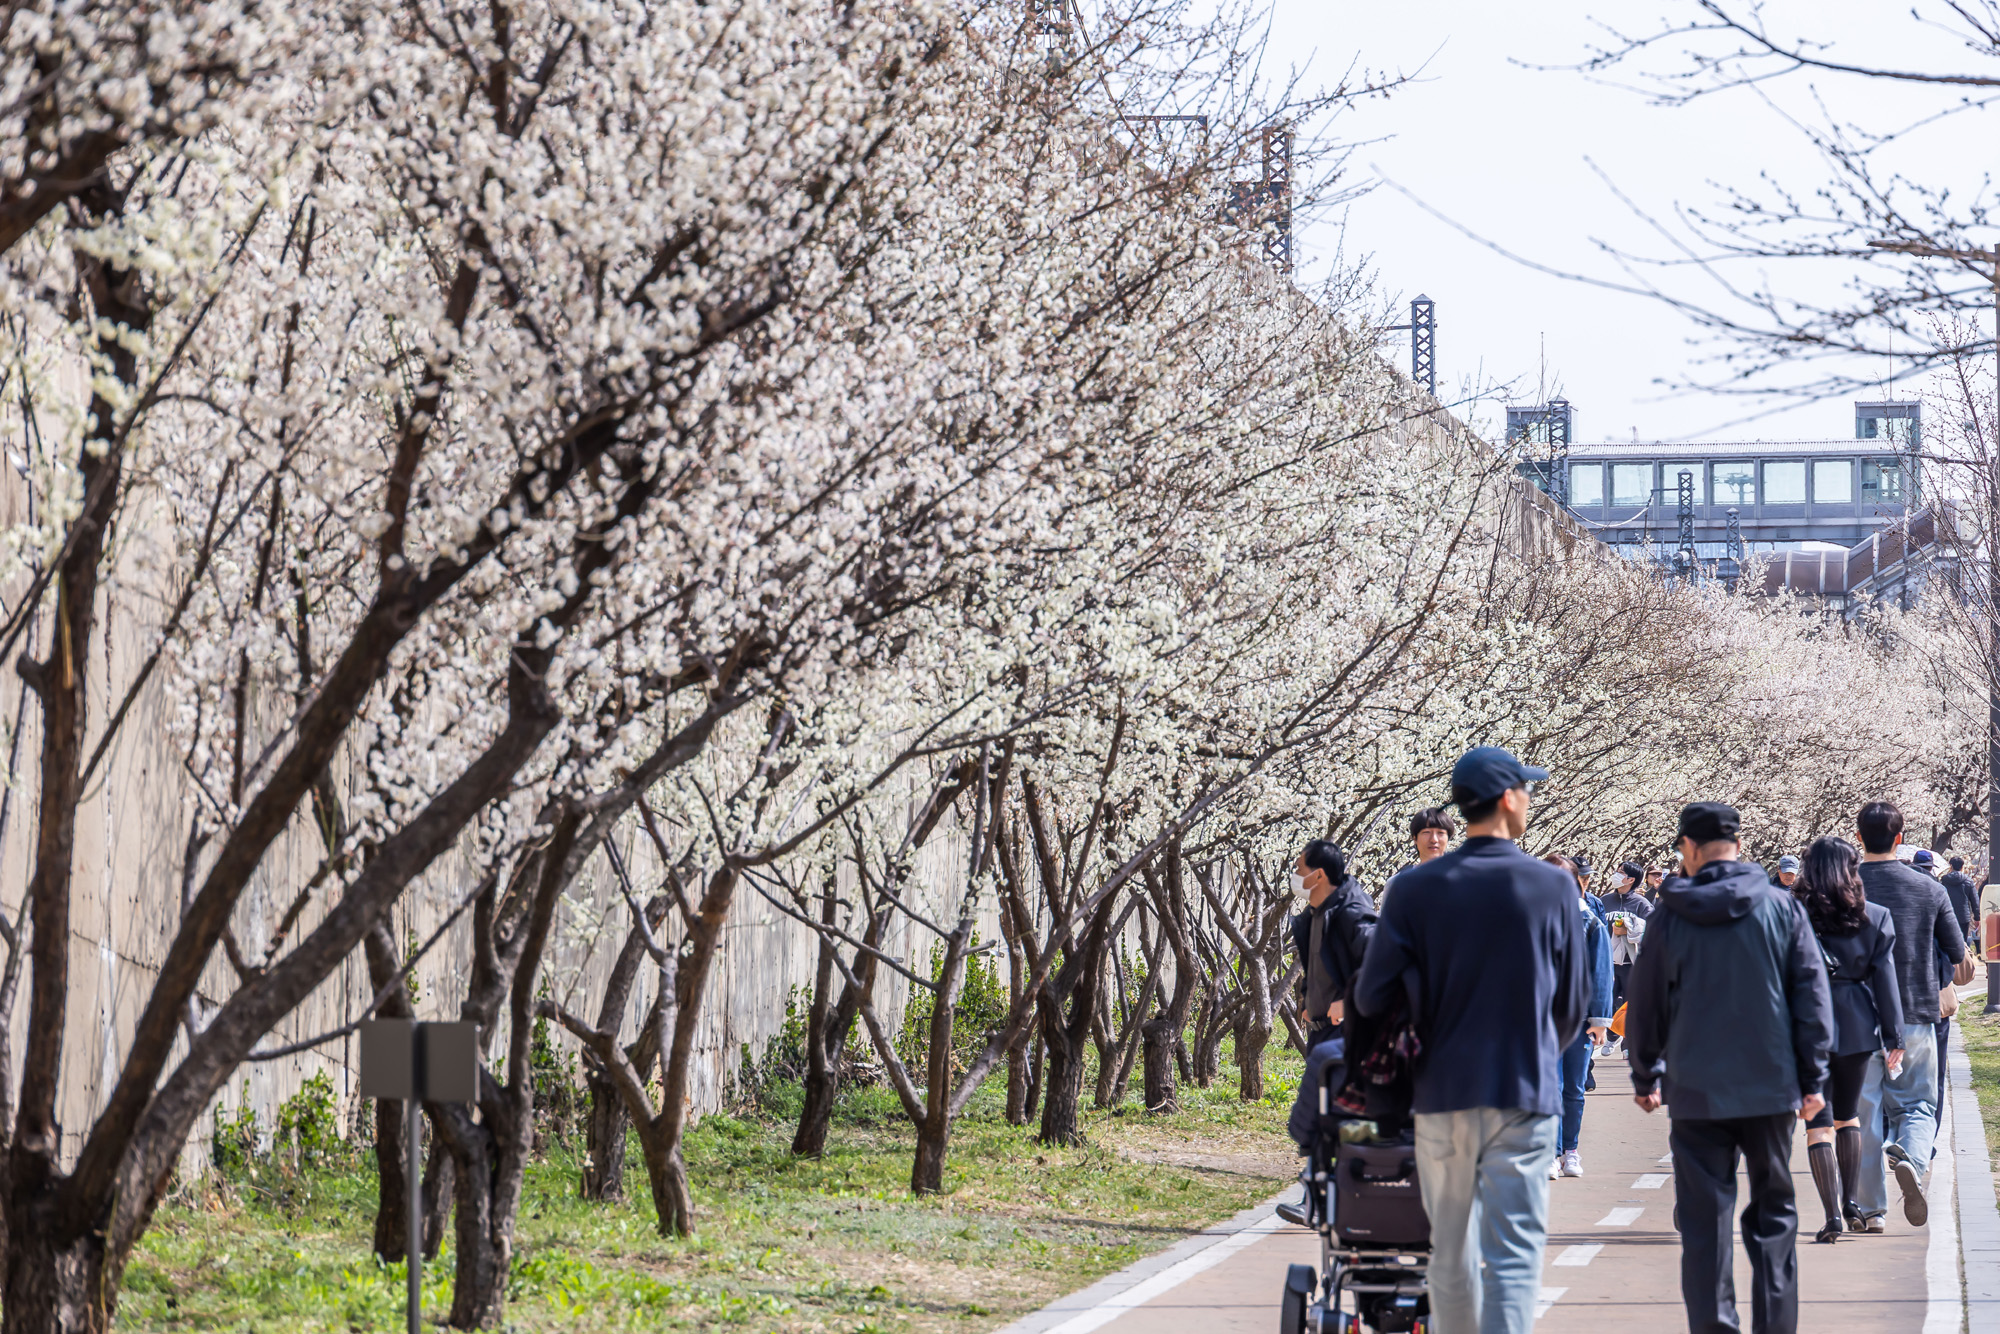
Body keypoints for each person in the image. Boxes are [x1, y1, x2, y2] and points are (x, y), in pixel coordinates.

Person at [1355, 747, 1586, 1334]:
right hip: (1524, 1090)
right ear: (1509, 799)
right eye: (1526, 791)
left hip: (1442, 1089)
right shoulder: (1552, 888)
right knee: (1513, 1252)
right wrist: (1538, 1048)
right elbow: (1572, 1005)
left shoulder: (1414, 890)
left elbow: (1369, 995)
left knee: (1450, 1252)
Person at [1625, 802, 1831, 1334]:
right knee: (1775, 1216)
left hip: (1695, 1089)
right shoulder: (1782, 908)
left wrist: (1644, 1075)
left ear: (1688, 849)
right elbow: (1810, 996)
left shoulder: (1670, 915)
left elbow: (1647, 1002)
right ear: (1738, 846)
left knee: (1704, 1224)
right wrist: (1813, 1080)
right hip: (1770, 1086)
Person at [1851, 801, 1965, 1230]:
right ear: (1900, 838)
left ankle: (1870, 1210)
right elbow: (1956, 954)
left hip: (1857, 1018)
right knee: (1917, 1105)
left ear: (1858, 837)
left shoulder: (1842, 888)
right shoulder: (1928, 889)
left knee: (1864, 1115)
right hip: (1916, 1013)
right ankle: (1911, 1159)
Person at [1789, 837, 1903, 1243]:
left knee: (1816, 1123)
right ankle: (1852, 1201)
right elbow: (1886, 982)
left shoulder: (1791, 912)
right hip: (1856, 1021)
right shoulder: (1876, 916)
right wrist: (1895, 1037)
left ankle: (1829, 1215)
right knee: (1849, 1115)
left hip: (1804, 1022)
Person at [1544, 853, 1612, 1179]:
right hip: (1542, 1018)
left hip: (1578, 1018)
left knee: (1573, 1088)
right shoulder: (1533, 919)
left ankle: (1570, 1149)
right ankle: (1552, 1153)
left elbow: (1602, 973)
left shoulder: (1589, 922)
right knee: (1550, 1086)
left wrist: (1600, 1020)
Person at [1599, 861, 1652, 1016]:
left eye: (1621, 872)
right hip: (1607, 964)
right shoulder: (1604, 901)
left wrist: (1629, 932)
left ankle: (1626, 1040)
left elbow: (1654, 933)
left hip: (1632, 966)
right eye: (1617, 870)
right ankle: (1609, 1038)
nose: (1616, 874)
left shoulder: (1642, 904)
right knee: (1604, 1006)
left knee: (1630, 1010)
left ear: (1631, 880)